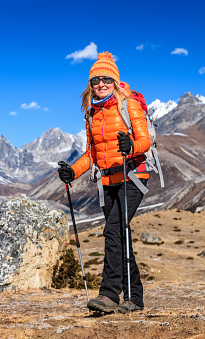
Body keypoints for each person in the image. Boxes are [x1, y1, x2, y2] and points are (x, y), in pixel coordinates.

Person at [58, 52, 151, 314]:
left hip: (133, 176)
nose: (101, 84)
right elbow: (91, 154)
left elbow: (146, 141)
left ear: (114, 80)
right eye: (96, 80)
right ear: (90, 85)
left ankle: (109, 294)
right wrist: (72, 172)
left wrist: (131, 146)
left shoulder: (129, 105)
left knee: (113, 231)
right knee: (120, 236)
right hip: (108, 180)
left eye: (106, 79)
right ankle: (135, 298)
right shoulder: (92, 113)